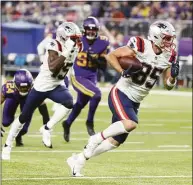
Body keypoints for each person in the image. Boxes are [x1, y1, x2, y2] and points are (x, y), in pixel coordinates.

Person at [66, 20, 180, 177]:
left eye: (170, 38)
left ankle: (78, 161)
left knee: (116, 141)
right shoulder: (140, 45)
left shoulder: (170, 55)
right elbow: (112, 56)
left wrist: (173, 77)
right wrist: (122, 71)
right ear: (156, 36)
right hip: (121, 92)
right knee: (130, 123)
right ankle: (95, 138)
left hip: (136, 100)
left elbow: (168, 85)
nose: (170, 42)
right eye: (166, 38)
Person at [2, 22, 82, 160]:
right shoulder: (53, 44)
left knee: (69, 102)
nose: (76, 41)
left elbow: (68, 65)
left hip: (57, 84)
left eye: (76, 38)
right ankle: (7, 145)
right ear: (64, 37)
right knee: (23, 117)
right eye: (73, 38)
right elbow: (53, 68)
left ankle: (47, 128)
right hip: (42, 85)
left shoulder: (76, 47)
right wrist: (66, 51)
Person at [62, 16, 110, 142]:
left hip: (91, 77)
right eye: (88, 29)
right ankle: (90, 122)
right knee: (97, 94)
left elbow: (104, 67)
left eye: (93, 29)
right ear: (84, 29)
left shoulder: (103, 42)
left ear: (97, 30)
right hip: (77, 76)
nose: (91, 31)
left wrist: (97, 60)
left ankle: (67, 123)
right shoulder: (77, 40)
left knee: (81, 103)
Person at [1, 69, 50, 146]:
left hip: (27, 100)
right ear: (15, 84)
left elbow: (43, 110)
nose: (24, 90)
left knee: (23, 129)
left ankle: (18, 136)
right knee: (6, 122)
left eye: (26, 87)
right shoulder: (9, 88)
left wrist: (46, 129)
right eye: (21, 88)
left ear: (31, 84)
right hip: (13, 98)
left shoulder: (35, 89)